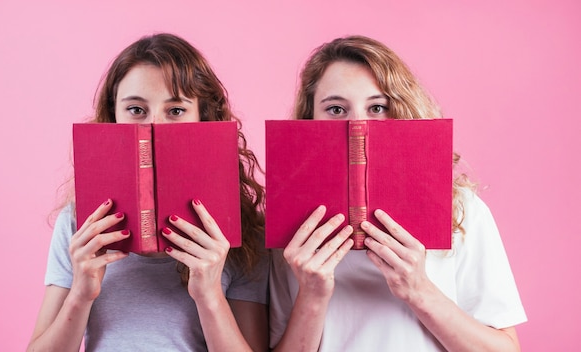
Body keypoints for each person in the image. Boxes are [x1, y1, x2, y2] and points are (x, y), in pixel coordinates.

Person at [269, 35, 527, 351]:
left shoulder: (462, 210)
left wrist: (418, 289)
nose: (358, 125)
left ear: (400, 111)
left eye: (377, 107)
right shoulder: (287, 228)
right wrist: (311, 295)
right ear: (310, 120)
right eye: (336, 109)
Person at [27, 33, 268, 352]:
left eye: (176, 111)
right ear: (113, 117)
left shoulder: (241, 233)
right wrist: (81, 294)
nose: (155, 127)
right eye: (137, 110)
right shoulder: (79, 225)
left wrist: (209, 295)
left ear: (203, 117)